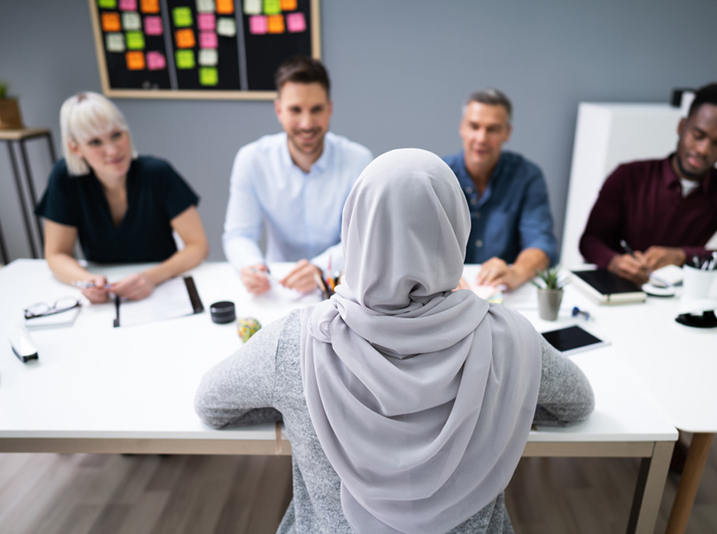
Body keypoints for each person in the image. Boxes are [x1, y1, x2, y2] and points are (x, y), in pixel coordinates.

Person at [196, 149, 594, 534]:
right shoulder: (508, 339)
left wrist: (295, 403)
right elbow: (576, 403)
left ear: (356, 226)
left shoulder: (298, 341)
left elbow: (212, 404)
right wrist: (504, 399)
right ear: (454, 226)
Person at [579, 82, 717, 285]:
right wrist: (614, 261)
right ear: (682, 127)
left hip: (678, 293)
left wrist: (683, 256)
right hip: (615, 284)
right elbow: (590, 240)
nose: (703, 150)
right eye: (698, 135)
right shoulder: (629, 175)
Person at [35, 92, 208, 303]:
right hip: (106, 298)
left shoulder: (158, 173)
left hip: (163, 288)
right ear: (75, 148)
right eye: (95, 142)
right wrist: (87, 281)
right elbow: (56, 255)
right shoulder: (65, 178)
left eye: (117, 135)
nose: (112, 150)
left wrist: (151, 277)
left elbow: (198, 246)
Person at [223, 56, 373, 295]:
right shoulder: (251, 159)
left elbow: (365, 237)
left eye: (316, 110)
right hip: (278, 286)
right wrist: (253, 266)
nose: (306, 123)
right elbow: (239, 234)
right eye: (295, 110)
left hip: (341, 283)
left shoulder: (359, 160)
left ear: (330, 109)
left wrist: (320, 267)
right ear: (279, 110)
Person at [442, 88, 558, 291]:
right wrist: (439, 274)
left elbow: (541, 241)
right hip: (448, 293)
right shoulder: (439, 175)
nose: (481, 138)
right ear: (462, 128)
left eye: (493, 129)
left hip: (502, 295)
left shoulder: (527, 176)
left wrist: (517, 273)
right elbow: (416, 241)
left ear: (507, 133)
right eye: (474, 126)